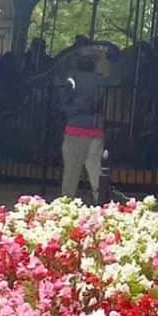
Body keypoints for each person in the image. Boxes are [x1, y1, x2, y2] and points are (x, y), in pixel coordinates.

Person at [57, 41, 113, 202]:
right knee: (95, 169)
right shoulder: (100, 81)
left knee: (72, 171)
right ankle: (101, 202)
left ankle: (66, 203)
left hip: (75, 128)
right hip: (95, 128)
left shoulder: (71, 80)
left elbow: (62, 102)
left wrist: (70, 114)